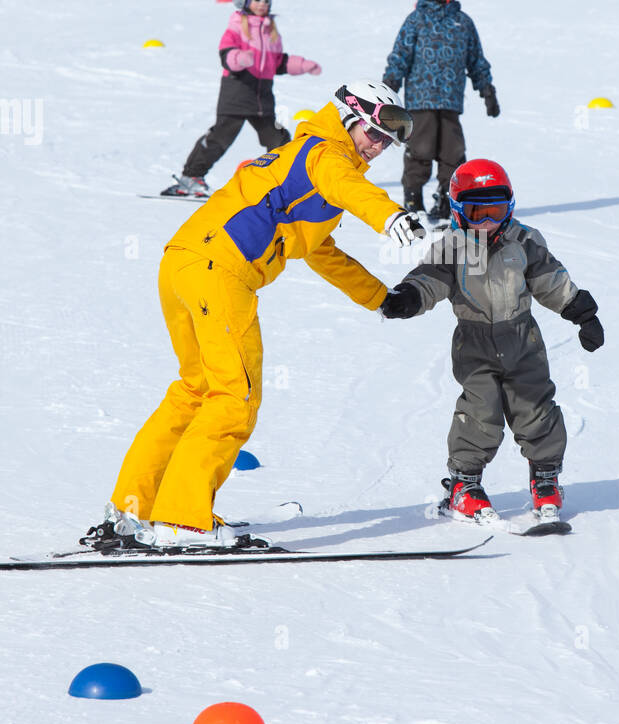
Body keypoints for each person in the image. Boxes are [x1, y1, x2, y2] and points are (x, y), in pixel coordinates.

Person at [88, 82, 425, 552]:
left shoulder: (301, 158)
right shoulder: (326, 155)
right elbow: (350, 188)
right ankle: (183, 519)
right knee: (234, 396)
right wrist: (390, 217)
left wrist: (379, 298)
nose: (380, 146)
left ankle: (131, 510)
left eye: (389, 140)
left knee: (194, 390)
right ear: (350, 120)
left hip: (182, 263)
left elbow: (321, 251)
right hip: (221, 271)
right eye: (375, 133)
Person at [380, 159, 604, 523]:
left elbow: (550, 280)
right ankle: (463, 485)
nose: (486, 221)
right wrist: (408, 296)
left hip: (523, 340)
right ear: (457, 210)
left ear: (509, 206)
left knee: (535, 406)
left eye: (495, 210)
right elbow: (429, 280)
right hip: (474, 344)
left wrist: (580, 311)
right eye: (476, 211)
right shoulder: (450, 247)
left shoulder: (525, 240)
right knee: (480, 412)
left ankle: (546, 478)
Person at [161, 0, 321, 199]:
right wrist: (239, 59)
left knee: (278, 138)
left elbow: (278, 62)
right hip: (236, 93)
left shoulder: (271, 31)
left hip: (262, 98)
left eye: (266, 0)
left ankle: (283, 181)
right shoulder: (236, 26)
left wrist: (303, 65)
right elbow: (226, 54)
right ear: (243, 0)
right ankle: (190, 178)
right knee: (221, 137)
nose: (262, 4)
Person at [383, 0, 499, 224]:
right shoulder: (416, 19)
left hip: (450, 101)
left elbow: (476, 60)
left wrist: (487, 90)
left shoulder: (463, 23)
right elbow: (400, 55)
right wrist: (390, 84)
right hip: (421, 100)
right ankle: (413, 197)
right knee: (420, 149)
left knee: (453, 152)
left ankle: (447, 199)